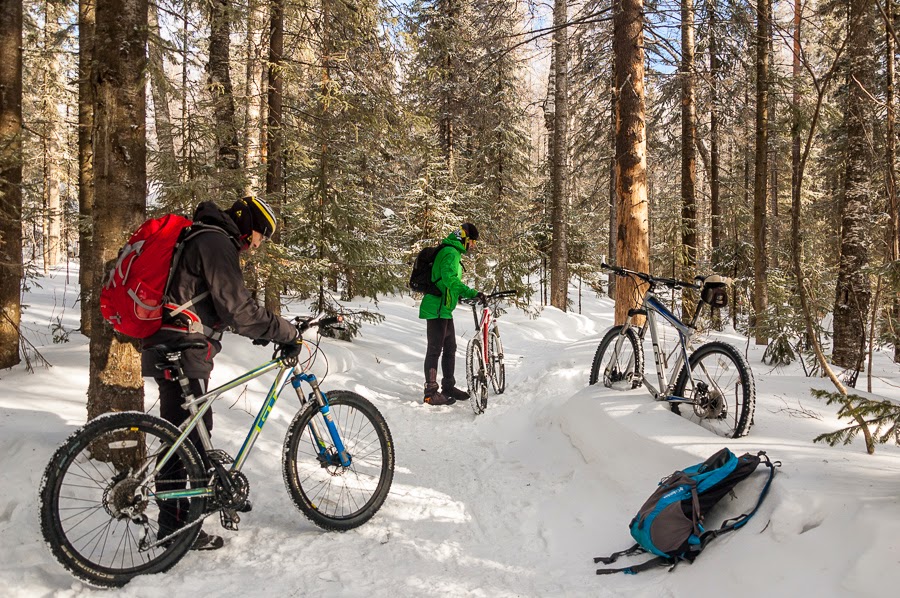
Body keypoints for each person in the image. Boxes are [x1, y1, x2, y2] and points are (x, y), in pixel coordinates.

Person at [141, 196, 300, 551]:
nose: (255, 246)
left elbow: (209, 302)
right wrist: (284, 332)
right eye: (258, 236)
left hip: (167, 339)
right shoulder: (215, 241)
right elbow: (239, 309)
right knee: (191, 441)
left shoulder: (201, 236)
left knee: (181, 437)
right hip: (185, 347)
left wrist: (256, 330)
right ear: (246, 225)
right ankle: (178, 530)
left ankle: (173, 525)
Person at [418, 222, 485, 406]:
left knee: (450, 348)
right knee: (435, 349)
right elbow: (449, 280)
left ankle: (448, 386)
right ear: (463, 238)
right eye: (472, 242)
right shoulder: (450, 252)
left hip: (444, 308)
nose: (472, 246)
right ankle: (431, 391)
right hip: (437, 308)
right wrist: (471, 292)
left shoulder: (453, 252)